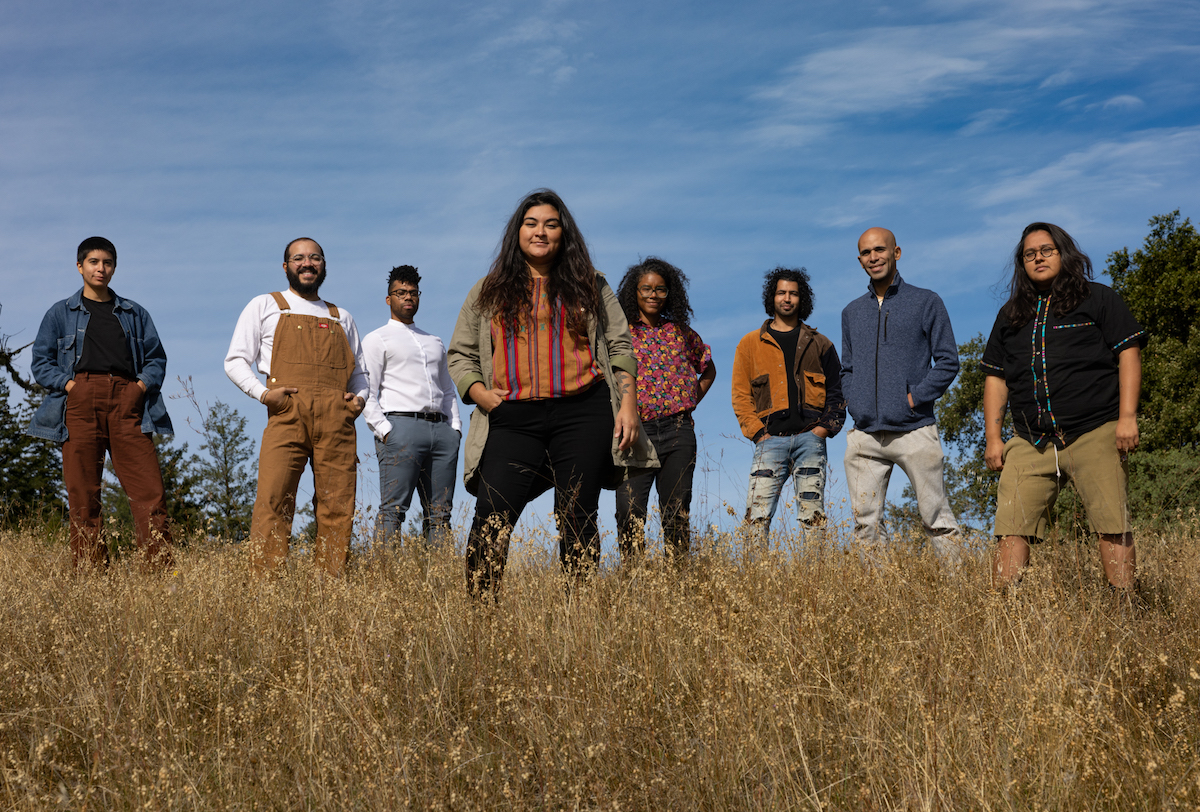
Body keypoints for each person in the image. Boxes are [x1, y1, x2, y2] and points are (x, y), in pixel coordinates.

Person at [447, 189, 658, 597]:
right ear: (517, 232)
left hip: (584, 411)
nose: (540, 231)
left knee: (577, 512)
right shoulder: (487, 290)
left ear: (564, 234)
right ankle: (478, 616)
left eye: (550, 224)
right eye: (531, 223)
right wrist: (479, 393)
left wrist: (628, 405)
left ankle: (576, 615)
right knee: (492, 512)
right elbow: (460, 354)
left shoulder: (591, 284)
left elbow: (619, 346)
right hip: (512, 417)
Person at [982, 223, 1145, 591]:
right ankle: (1002, 615)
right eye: (1029, 253)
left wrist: (1127, 419)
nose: (1038, 257)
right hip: (1029, 438)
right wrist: (993, 438)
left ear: (1064, 254)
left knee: (1111, 523)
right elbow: (996, 377)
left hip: (1095, 429)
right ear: (1022, 263)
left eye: (1046, 249)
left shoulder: (1099, 298)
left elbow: (1128, 354)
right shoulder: (1010, 316)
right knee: (1011, 525)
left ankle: (1128, 608)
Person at [26, 237, 175, 570]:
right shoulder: (60, 313)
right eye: (93, 262)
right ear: (80, 266)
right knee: (83, 492)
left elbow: (156, 359)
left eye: (107, 263)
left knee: (149, 491)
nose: (101, 269)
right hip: (80, 400)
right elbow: (41, 362)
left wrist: (138, 388)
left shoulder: (134, 313)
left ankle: (162, 575)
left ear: (114, 268)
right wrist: (69, 385)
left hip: (127, 400)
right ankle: (92, 575)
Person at [224, 238, 369, 576]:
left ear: (324, 266)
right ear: (285, 266)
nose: (308, 263)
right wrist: (263, 394)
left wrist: (359, 400)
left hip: (337, 418)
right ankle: (266, 586)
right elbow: (235, 361)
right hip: (286, 412)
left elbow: (360, 373)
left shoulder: (341, 316)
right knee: (274, 499)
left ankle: (329, 587)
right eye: (299, 258)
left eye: (315, 258)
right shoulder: (267, 305)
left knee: (338, 504)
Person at [841, 227, 962, 554]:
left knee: (936, 517)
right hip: (865, 434)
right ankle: (875, 600)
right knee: (865, 525)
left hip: (914, 429)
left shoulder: (926, 301)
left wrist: (913, 398)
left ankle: (961, 594)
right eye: (866, 253)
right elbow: (847, 368)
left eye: (880, 250)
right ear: (859, 260)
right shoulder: (851, 312)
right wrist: (855, 403)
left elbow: (949, 361)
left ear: (896, 252)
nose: (873, 257)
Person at [732, 267, 844, 548]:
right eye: (781, 292)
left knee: (813, 519)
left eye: (793, 293)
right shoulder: (749, 344)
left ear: (801, 299)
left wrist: (822, 430)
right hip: (769, 441)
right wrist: (758, 434)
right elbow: (740, 395)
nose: (787, 298)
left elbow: (838, 392)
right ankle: (756, 581)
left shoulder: (820, 344)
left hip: (811, 440)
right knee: (756, 519)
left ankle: (813, 584)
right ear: (771, 297)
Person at [613, 257, 715, 564]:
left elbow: (708, 370)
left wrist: (689, 398)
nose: (653, 295)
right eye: (646, 288)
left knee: (676, 511)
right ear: (635, 291)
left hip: (678, 432)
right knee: (629, 512)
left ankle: (677, 582)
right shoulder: (621, 335)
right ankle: (633, 583)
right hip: (635, 433)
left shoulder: (681, 332)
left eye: (660, 289)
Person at [361, 265, 461, 549]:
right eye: (400, 292)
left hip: (441, 432)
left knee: (440, 515)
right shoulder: (377, 338)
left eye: (413, 293)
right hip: (400, 429)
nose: (408, 298)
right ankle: (389, 581)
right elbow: (367, 391)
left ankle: (440, 587)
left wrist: (454, 429)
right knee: (393, 511)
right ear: (388, 298)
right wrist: (384, 430)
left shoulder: (434, 342)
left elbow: (448, 390)